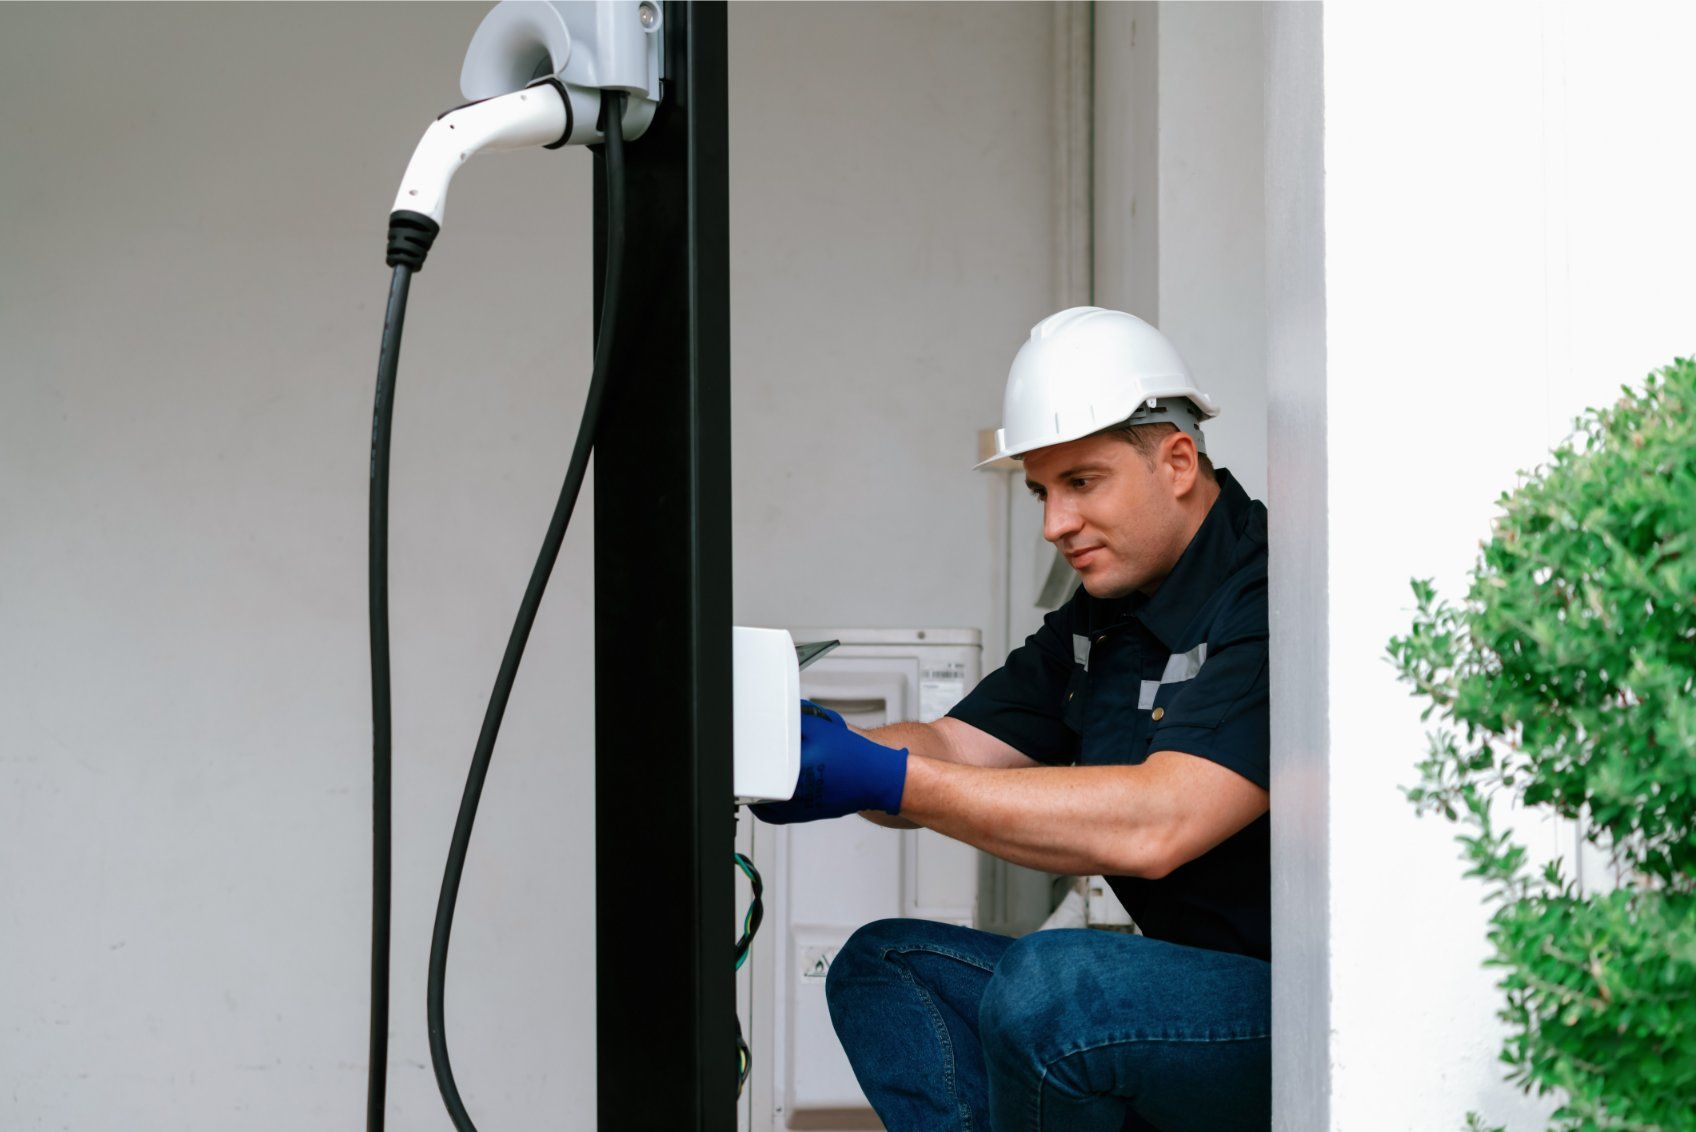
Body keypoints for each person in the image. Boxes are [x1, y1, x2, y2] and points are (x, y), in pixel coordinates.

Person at [754, 307, 1270, 1131]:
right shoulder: (1105, 617)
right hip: (1173, 991)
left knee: (1058, 989)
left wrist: (885, 777)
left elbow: (1161, 823)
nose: (1053, 525)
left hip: (1286, 1012)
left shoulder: (1267, 594)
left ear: (1176, 461)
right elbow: (956, 745)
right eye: (1040, 490)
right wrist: (806, 753)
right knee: (885, 967)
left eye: (1081, 483)